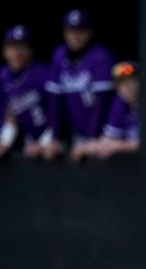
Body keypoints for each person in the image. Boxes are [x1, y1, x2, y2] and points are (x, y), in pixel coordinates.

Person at [41, 9, 114, 162]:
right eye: (71, 30)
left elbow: (101, 103)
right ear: (65, 32)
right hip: (73, 135)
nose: (75, 36)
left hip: (101, 135)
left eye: (81, 31)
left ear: (89, 33)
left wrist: (91, 139)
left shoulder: (100, 56)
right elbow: (55, 102)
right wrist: (55, 137)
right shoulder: (59, 55)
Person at [0, 25, 50, 158]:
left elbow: (59, 112)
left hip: (53, 138)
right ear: (4, 51)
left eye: (22, 46)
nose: (17, 52)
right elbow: (10, 115)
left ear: (31, 51)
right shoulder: (3, 76)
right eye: (12, 47)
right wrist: (4, 142)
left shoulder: (42, 73)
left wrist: (46, 142)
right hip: (29, 142)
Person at [88, 61, 139, 159]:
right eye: (122, 83)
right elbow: (109, 138)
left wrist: (119, 146)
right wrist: (88, 147)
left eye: (132, 81)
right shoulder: (120, 103)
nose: (128, 87)